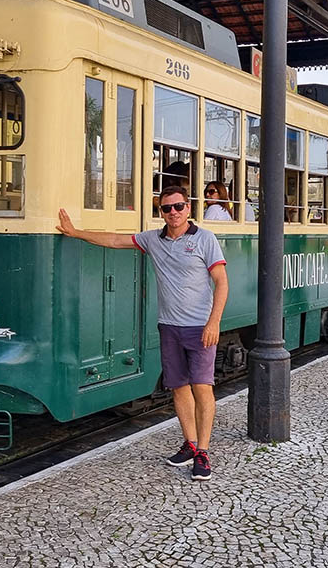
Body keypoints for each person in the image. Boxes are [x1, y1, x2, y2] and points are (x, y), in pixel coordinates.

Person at [56, 186, 228, 481]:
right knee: (179, 387)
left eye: (178, 206)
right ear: (161, 212)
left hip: (200, 327)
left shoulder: (205, 239)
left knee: (202, 387)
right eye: (166, 208)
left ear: (188, 208)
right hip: (169, 326)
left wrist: (214, 322)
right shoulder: (153, 239)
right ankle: (188, 444)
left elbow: (222, 282)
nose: (173, 212)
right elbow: (114, 240)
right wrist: (76, 232)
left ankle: (203, 452)